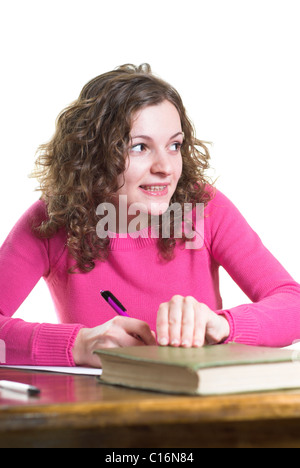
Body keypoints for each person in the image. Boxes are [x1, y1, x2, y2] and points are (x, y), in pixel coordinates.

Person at [1, 64, 300, 368]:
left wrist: (223, 326)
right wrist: (78, 345)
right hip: (96, 409)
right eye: (140, 147)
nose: (166, 168)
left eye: (174, 145)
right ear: (92, 154)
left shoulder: (205, 209)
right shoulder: (51, 219)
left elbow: (294, 304)